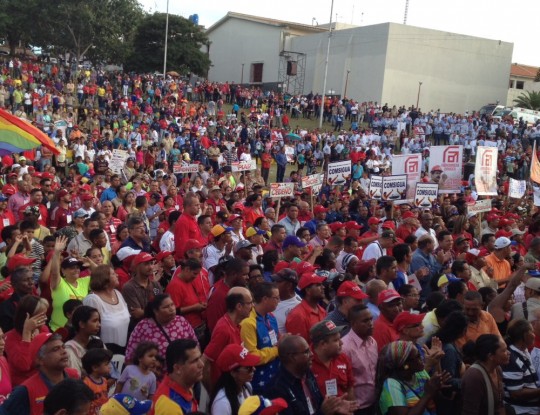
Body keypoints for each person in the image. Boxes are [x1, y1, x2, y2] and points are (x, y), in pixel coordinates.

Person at [268, 335, 357, 415]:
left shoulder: (307, 373)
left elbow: (318, 403)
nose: (312, 354)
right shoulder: (276, 388)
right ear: (292, 357)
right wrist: (322, 412)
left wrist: (334, 407)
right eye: (306, 352)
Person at [0, 333, 79, 415]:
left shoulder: (74, 376)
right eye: (55, 349)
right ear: (39, 359)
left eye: (63, 347)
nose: (64, 352)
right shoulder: (26, 391)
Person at [378, 340, 451, 415]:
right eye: (418, 356)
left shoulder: (420, 374)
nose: (423, 358)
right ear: (405, 365)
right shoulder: (392, 384)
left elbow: (436, 401)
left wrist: (436, 387)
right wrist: (428, 393)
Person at [202, 287, 253, 391]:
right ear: (239, 306)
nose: (252, 307)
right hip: (224, 389)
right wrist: (212, 391)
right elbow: (205, 362)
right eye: (250, 303)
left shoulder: (235, 325)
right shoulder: (223, 330)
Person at [126, 294, 197, 363]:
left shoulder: (181, 321)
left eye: (172, 305)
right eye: (166, 307)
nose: (172, 309)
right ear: (155, 311)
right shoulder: (143, 326)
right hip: (155, 372)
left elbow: (195, 343)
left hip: (183, 370)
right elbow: (130, 355)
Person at [240, 282, 280, 394]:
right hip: (259, 383)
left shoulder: (271, 316)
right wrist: (277, 350)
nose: (279, 301)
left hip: (275, 377)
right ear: (265, 299)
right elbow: (251, 355)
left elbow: (276, 341)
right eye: (276, 298)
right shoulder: (248, 323)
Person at [83, 264, 130, 354]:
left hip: (122, 351)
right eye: (113, 274)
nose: (117, 275)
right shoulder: (93, 299)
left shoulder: (118, 293)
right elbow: (89, 330)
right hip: (103, 352)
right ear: (104, 278)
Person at [341, 304, 378, 415]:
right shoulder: (345, 348)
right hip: (359, 408)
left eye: (371, 319)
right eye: (365, 321)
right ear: (353, 323)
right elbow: (345, 383)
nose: (370, 324)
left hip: (376, 402)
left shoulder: (372, 342)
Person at [5, 295, 50, 386]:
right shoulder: (9, 337)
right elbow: (24, 365)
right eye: (41, 315)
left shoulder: (44, 329)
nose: (45, 318)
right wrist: (27, 332)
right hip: (22, 387)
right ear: (27, 317)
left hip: (44, 381)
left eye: (45, 314)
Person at [151, 338, 203, 415]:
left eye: (200, 358)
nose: (202, 364)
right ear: (177, 368)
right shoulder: (169, 407)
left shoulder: (185, 386)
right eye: (195, 361)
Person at [461, 334, 510, 415]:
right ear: (490, 356)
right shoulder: (474, 377)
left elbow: (500, 405)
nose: (508, 353)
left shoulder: (497, 369)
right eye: (504, 351)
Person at [50, 237, 91, 331]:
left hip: (78, 331)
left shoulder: (84, 281)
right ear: (63, 271)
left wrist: (90, 263)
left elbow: (103, 276)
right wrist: (56, 252)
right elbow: (55, 272)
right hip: (59, 330)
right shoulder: (59, 283)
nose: (76, 270)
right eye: (72, 268)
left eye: (77, 267)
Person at [432, 311, 468, 415]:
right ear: (463, 330)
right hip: (450, 403)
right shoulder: (449, 349)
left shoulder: (447, 343)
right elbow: (448, 381)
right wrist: (467, 381)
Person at [501, 319, 540, 414]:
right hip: (522, 411)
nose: (534, 335)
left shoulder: (523, 351)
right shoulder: (511, 359)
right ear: (525, 336)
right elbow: (516, 393)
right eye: (532, 331)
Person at [210, 344, 261, 415]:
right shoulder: (222, 404)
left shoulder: (247, 386)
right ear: (233, 373)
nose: (254, 369)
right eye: (248, 368)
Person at [310, 320, 354, 400]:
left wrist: (351, 408)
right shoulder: (307, 364)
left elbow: (350, 387)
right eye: (336, 340)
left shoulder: (343, 358)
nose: (341, 343)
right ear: (323, 344)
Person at [121, 252, 163, 329]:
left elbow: (163, 306)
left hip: (158, 326)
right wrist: (157, 311)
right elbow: (137, 314)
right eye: (146, 264)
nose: (150, 267)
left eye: (151, 263)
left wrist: (144, 312)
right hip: (140, 329)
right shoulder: (129, 287)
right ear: (137, 267)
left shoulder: (155, 285)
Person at [285, 273, 327, 342]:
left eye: (322, 284)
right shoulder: (297, 315)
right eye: (318, 285)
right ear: (308, 290)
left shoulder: (322, 310)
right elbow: (299, 347)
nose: (323, 287)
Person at [64, 305, 101, 375]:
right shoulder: (69, 349)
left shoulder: (97, 340)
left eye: (98, 321)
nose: (99, 325)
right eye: (94, 321)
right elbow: (75, 376)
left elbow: (110, 369)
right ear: (82, 324)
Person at [81, 348, 113, 414]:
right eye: (106, 364)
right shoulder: (86, 383)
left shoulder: (104, 380)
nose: (110, 366)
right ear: (95, 367)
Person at [272, 269, 302, 335]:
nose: (274, 284)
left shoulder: (297, 307)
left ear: (289, 285)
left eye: (278, 282)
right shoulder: (273, 296)